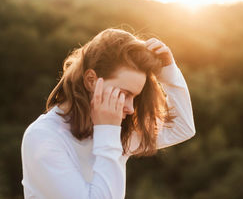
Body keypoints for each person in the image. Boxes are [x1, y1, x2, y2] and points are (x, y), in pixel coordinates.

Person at [21, 28, 196, 199]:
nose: (130, 108)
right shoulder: (43, 137)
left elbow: (183, 127)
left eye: (134, 97)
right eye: (125, 94)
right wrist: (107, 132)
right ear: (91, 81)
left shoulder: (120, 130)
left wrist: (169, 71)